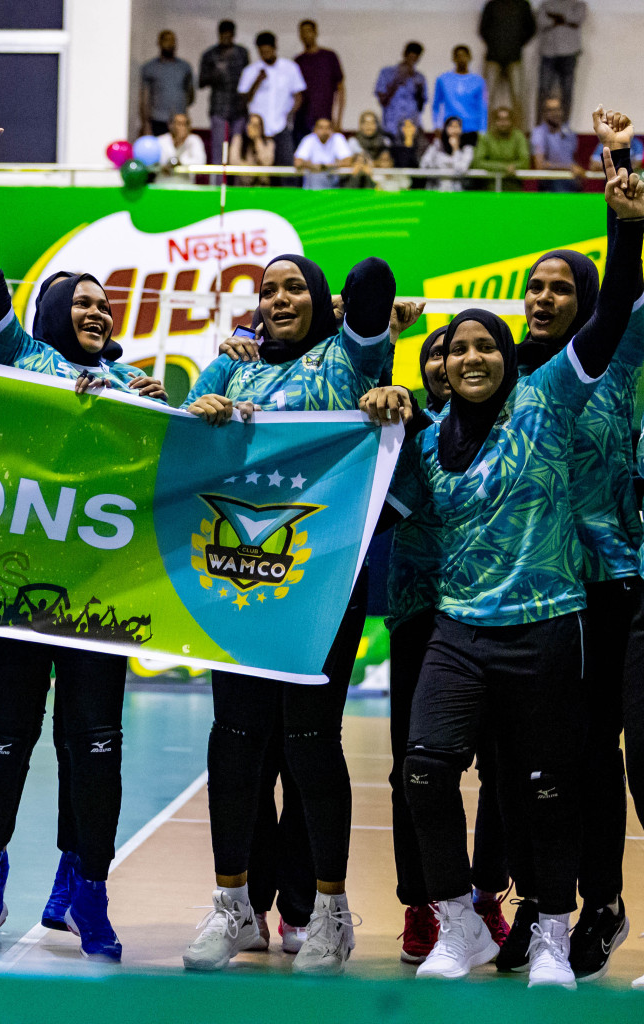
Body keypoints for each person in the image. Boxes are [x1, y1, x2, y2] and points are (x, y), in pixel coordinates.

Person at [371, 135, 644, 990]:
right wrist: (379, 391)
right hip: (459, 629)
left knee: (558, 780)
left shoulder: (547, 400)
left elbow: (612, 313)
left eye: (488, 343)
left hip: (569, 614)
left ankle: (563, 925)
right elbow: (356, 478)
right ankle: (463, 921)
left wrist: (623, 222)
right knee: (428, 770)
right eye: (459, 349)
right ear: (444, 367)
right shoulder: (425, 437)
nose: (474, 355)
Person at [0, 123, 166, 963]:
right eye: (81, 299)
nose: (96, 309)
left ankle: (89, 889)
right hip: (17, 596)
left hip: (102, 603)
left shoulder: (133, 387)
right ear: (47, 314)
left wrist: (167, 415)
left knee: (94, 749)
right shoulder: (19, 359)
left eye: (104, 304)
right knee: (3, 747)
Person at [178, 249, 406, 976]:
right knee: (235, 741)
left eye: (293, 289)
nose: (279, 300)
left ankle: (331, 914)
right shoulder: (233, 368)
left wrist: (350, 318)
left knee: (310, 742)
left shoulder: (347, 358)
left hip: (324, 580)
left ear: (318, 298)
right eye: (267, 290)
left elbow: (373, 279)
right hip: (237, 579)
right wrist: (203, 406)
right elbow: (179, 439)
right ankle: (233, 906)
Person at [504, 112, 642, 982]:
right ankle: (549, 902)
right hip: (536, 594)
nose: (542, 298)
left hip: (615, 585)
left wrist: (621, 182)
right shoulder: (509, 371)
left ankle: (606, 902)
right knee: (547, 761)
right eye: (534, 287)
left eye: (560, 288)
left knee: (607, 754)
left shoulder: (620, 349)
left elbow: (624, 288)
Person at [374, 328, 512, 965]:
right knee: (416, 770)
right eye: (436, 352)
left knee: (502, 770)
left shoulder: (505, 431)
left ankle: (486, 898)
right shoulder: (406, 435)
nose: (446, 362)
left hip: (494, 617)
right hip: (417, 617)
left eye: (453, 352)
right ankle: (424, 904)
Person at [238, 33, 307, 180]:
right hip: (257, 131)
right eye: (262, 52)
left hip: (281, 127)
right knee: (258, 173)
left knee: (286, 171)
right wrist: (258, 81)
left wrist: (290, 114)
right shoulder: (251, 71)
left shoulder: (290, 68)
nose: (265, 55)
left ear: (275, 48)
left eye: (268, 51)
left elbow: (299, 96)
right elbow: (243, 100)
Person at [480, 0, 537, 127]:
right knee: (486, 99)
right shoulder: (491, 5)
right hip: (493, 57)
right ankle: (486, 135)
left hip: (514, 57)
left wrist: (517, 43)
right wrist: (494, 42)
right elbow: (483, 29)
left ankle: (518, 136)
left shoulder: (523, 5)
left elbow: (531, 29)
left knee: (518, 99)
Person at [199, 21, 250, 158]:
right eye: (223, 34)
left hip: (239, 110)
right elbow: (201, 82)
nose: (226, 37)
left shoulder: (242, 53)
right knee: (218, 152)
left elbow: (248, 78)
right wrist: (215, 73)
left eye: (229, 34)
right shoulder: (210, 55)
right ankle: (217, 180)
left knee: (237, 151)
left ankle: (235, 180)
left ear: (233, 34)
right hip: (219, 109)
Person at [293, 20, 344, 145]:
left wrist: (338, 120)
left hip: (325, 119)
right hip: (302, 121)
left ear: (315, 33)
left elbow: (341, 89)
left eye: (308, 31)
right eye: (302, 33)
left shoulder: (329, 57)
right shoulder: (298, 61)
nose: (306, 35)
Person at [537, 0, 587, 121]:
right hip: (548, 53)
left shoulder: (579, 5)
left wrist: (554, 17)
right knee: (544, 91)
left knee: (567, 92)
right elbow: (541, 22)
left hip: (569, 53)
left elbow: (576, 20)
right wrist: (565, 20)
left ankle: (564, 126)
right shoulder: (545, 5)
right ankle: (540, 126)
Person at [139, 30, 194, 138]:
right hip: (157, 120)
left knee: (179, 153)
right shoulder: (149, 67)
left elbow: (190, 94)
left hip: (180, 120)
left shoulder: (184, 67)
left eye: (172, 40)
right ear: (159, 42)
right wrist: (145, 123)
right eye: (166, 40)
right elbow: (144, 98)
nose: (169, 43)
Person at [434, 46, 490, 138]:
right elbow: (436, 105)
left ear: (470, 57)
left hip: (472, 129)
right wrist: (437, 125)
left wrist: (483, 131)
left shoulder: (478, 81)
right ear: (454, 58)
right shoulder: (443, 79)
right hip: (450, 128)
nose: (461, 59)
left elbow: (483, 107)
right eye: (458, 56)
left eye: (464, 56)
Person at [531, 95, 585, 192]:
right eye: (550, 110)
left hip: (572, 183)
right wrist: (569, 167)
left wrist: (575, 168)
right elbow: (540, 165)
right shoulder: (539, 133)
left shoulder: (569, 132)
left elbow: (574, 159)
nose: (555, 113)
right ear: (544, 113)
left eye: (557, 109)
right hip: (551, 185)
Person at [375, 43, 428, 136]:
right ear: (404, 55)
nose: (412, 62)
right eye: (410, 57)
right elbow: (382, 101)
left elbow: (421, 107)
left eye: (415, 59)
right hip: (391, 128)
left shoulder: (420, 77)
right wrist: (397, 81)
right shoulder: (387, 73)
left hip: (411, 129)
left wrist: (419, 89)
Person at [471, 106, 530, 189]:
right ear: (494, 121)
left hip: (513, 187)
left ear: (511, 121)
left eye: (506, 119)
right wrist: (505, 168)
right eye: (500, 119)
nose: (503, 123)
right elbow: (478, 162)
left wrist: (514, 167)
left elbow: (525, 162)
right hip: (489, 188)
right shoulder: (485, 137)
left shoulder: (519, 137)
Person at [293, 117, 354, 189]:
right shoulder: (309, 139)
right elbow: (298, 162)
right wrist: (312, 166)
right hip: (313, 184)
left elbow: (348, 161)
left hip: (334, 183)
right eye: (321, 128)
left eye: (327, 128)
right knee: (317, 175)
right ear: (315, 130)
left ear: (332, 130)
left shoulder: (338, 138)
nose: (324, 131)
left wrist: (327, 167)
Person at [421, 116, 477, 191]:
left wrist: (456, 149)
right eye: (451, 126)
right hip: (436, 189)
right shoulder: (437, 145)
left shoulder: (466, 149)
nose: (454, 130)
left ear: (461, 130)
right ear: (445, 128)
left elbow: (461, 169)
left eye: (457, 127)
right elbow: (424, 164)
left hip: (456, 191)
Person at [346, 111, 394, 188]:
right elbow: (349, 162)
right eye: (365, 123)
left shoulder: (385, 141)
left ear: (377, 125)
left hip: (380, 179)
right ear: (360, 125)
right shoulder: (353, 142)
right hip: (357, 178)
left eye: (372, 123)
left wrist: (369, 165)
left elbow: (386, 162)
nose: (369, 126)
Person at [386, 119, 432, 191]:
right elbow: (401, 164)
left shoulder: (424, 145)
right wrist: (408, 144)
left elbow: (421, 165)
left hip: (419, 185)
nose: (408, 130)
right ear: (401, 129)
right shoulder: (395, 147)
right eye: (405, 127)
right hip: (400, 184)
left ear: (415, 128)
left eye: (410, 126)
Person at [231, 113, 276, 186]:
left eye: (257, 126)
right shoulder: (239, 139)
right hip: (242, 183)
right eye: (252, 124)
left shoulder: (269, 142)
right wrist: (249, 169)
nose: (254, 128)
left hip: (261, 184)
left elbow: (267, 162)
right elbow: (233, 161)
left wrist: (257, 140)